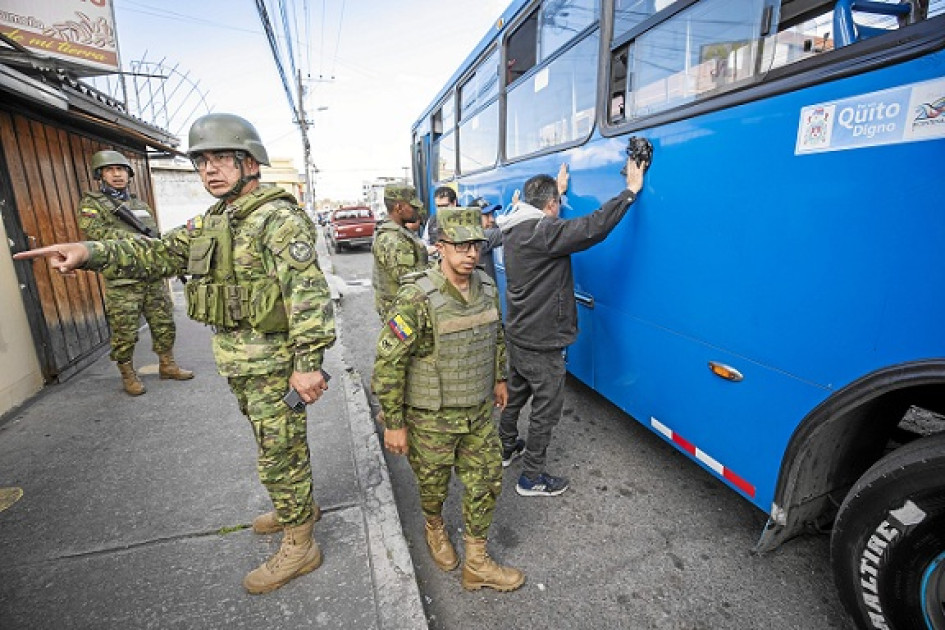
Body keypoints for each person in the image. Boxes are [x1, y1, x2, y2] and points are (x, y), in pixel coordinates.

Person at [15, 113, 336, 595]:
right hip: (238, 360)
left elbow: (308, 294)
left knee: (278, 452)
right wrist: (89, 250)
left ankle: (301, 542)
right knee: (274, 446)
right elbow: (157, 253)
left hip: (276, 364)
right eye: (202, 161)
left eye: (221, 159)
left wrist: (308, 364)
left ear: (249, 162)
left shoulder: (277, 218)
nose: (209, 170)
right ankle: (298, 507)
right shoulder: (213, 220)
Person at [372, 207, 524, 593]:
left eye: (475, 245)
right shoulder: (416, 298)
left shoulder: (487, 286)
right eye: (460, 245)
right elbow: (389, 363)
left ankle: (477, 563)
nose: (470, 254)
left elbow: (496, 334)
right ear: (440, 247)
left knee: (486, 480)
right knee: (434, 484)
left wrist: (499, 377)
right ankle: (435, 527)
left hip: (476, 411)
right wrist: (394, 422)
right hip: (431, 419)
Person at [497, 157, 649, 497]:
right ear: (551, 206)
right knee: (545, 409)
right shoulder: (544, 232)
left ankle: (506, 447)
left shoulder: (511, 228)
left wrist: (556, 190)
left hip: (519, 334)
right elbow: (594, 226)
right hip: (543, 340)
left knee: (517, 393)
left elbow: (541, 215)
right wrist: (630, 191)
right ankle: (531, 477)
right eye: (557, 203)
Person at [77, 150, 193, 395]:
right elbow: (96, 233)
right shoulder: (92, 204)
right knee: (124, 331)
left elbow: (153, 235)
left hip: (151, 276)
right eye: (110, 170)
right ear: (100, 175)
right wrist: (135, 239)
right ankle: (127, 373)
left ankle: (167, 364)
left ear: (129, 174)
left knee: (163, 323)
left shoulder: (139, 205)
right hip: (122, 279)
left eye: (121, 170)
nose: (117, 174)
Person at [372, 183, 429, 321]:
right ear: (399, 208)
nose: (417, 210)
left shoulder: (400, 232)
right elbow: (408, 278)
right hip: (400, 312)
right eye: (413, 206)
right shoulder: (392, 239)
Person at [470, 197, 503, 282]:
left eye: (492, 214)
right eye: (487, 215)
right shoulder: (479, 236)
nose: (492, 219)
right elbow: (510, 231)